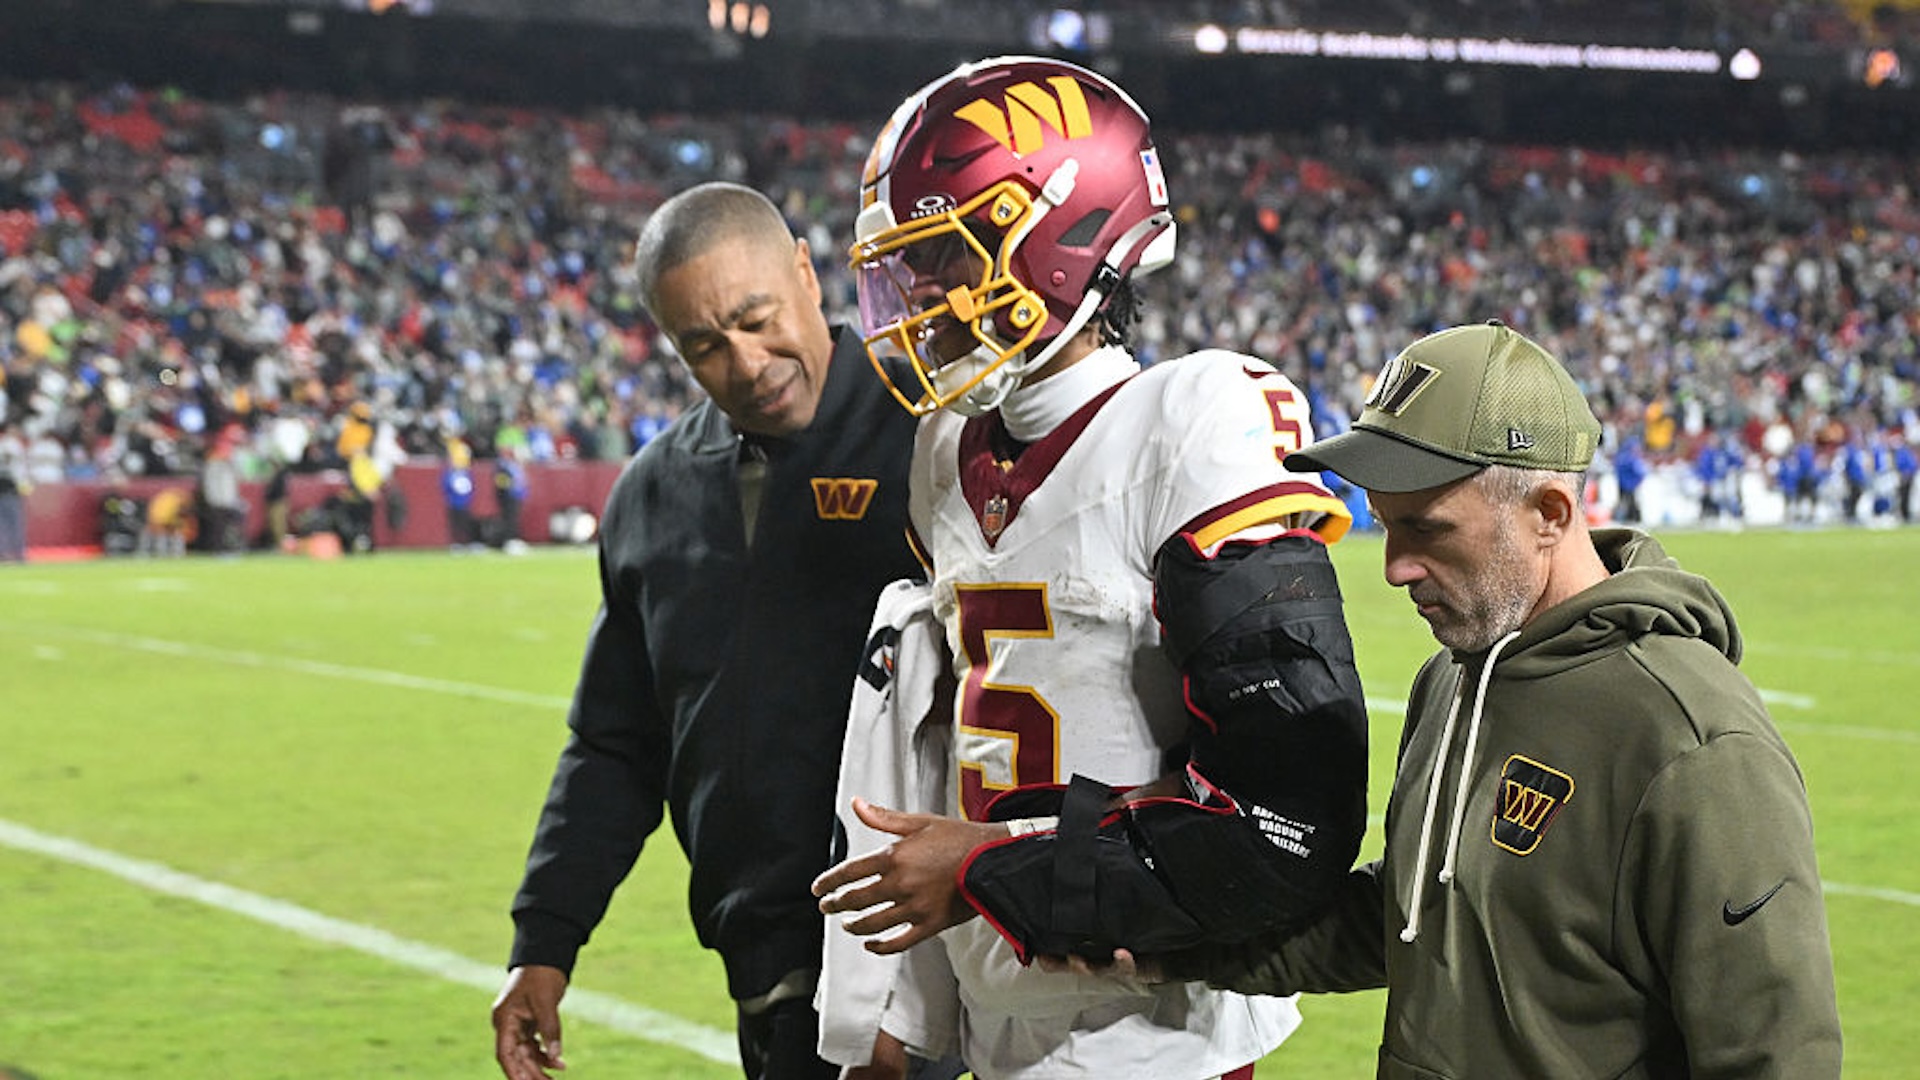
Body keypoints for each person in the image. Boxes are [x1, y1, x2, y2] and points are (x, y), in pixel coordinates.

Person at [811, 56, 1370, 1079]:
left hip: (1153, 1029)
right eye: (910, 265)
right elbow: (946, 753)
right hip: (999, 1003)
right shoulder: (946, 450)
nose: (921, 299)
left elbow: (1284, 822)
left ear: (1062, 239)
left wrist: (990, 871)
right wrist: (904, 1010)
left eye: (949, 255)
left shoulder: (1193, 422)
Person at [1159, 320, 1842, 1079]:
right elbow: (1414, 916)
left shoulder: (1691, 739)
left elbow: (1774, 1056)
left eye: (1425, 528)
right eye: (1383, 525)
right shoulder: (1451, 677)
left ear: (1549, 514)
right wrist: (1166, 938)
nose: (1393, 568)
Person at [489, 182, 923, 1080]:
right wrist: (545, 939)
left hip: (937, 966)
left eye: (756, 317)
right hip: (771, 970)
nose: (748, 361)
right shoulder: (653, 492)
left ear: (806, 272)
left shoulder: (937, 433)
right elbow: (617, 741)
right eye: (705, 345)